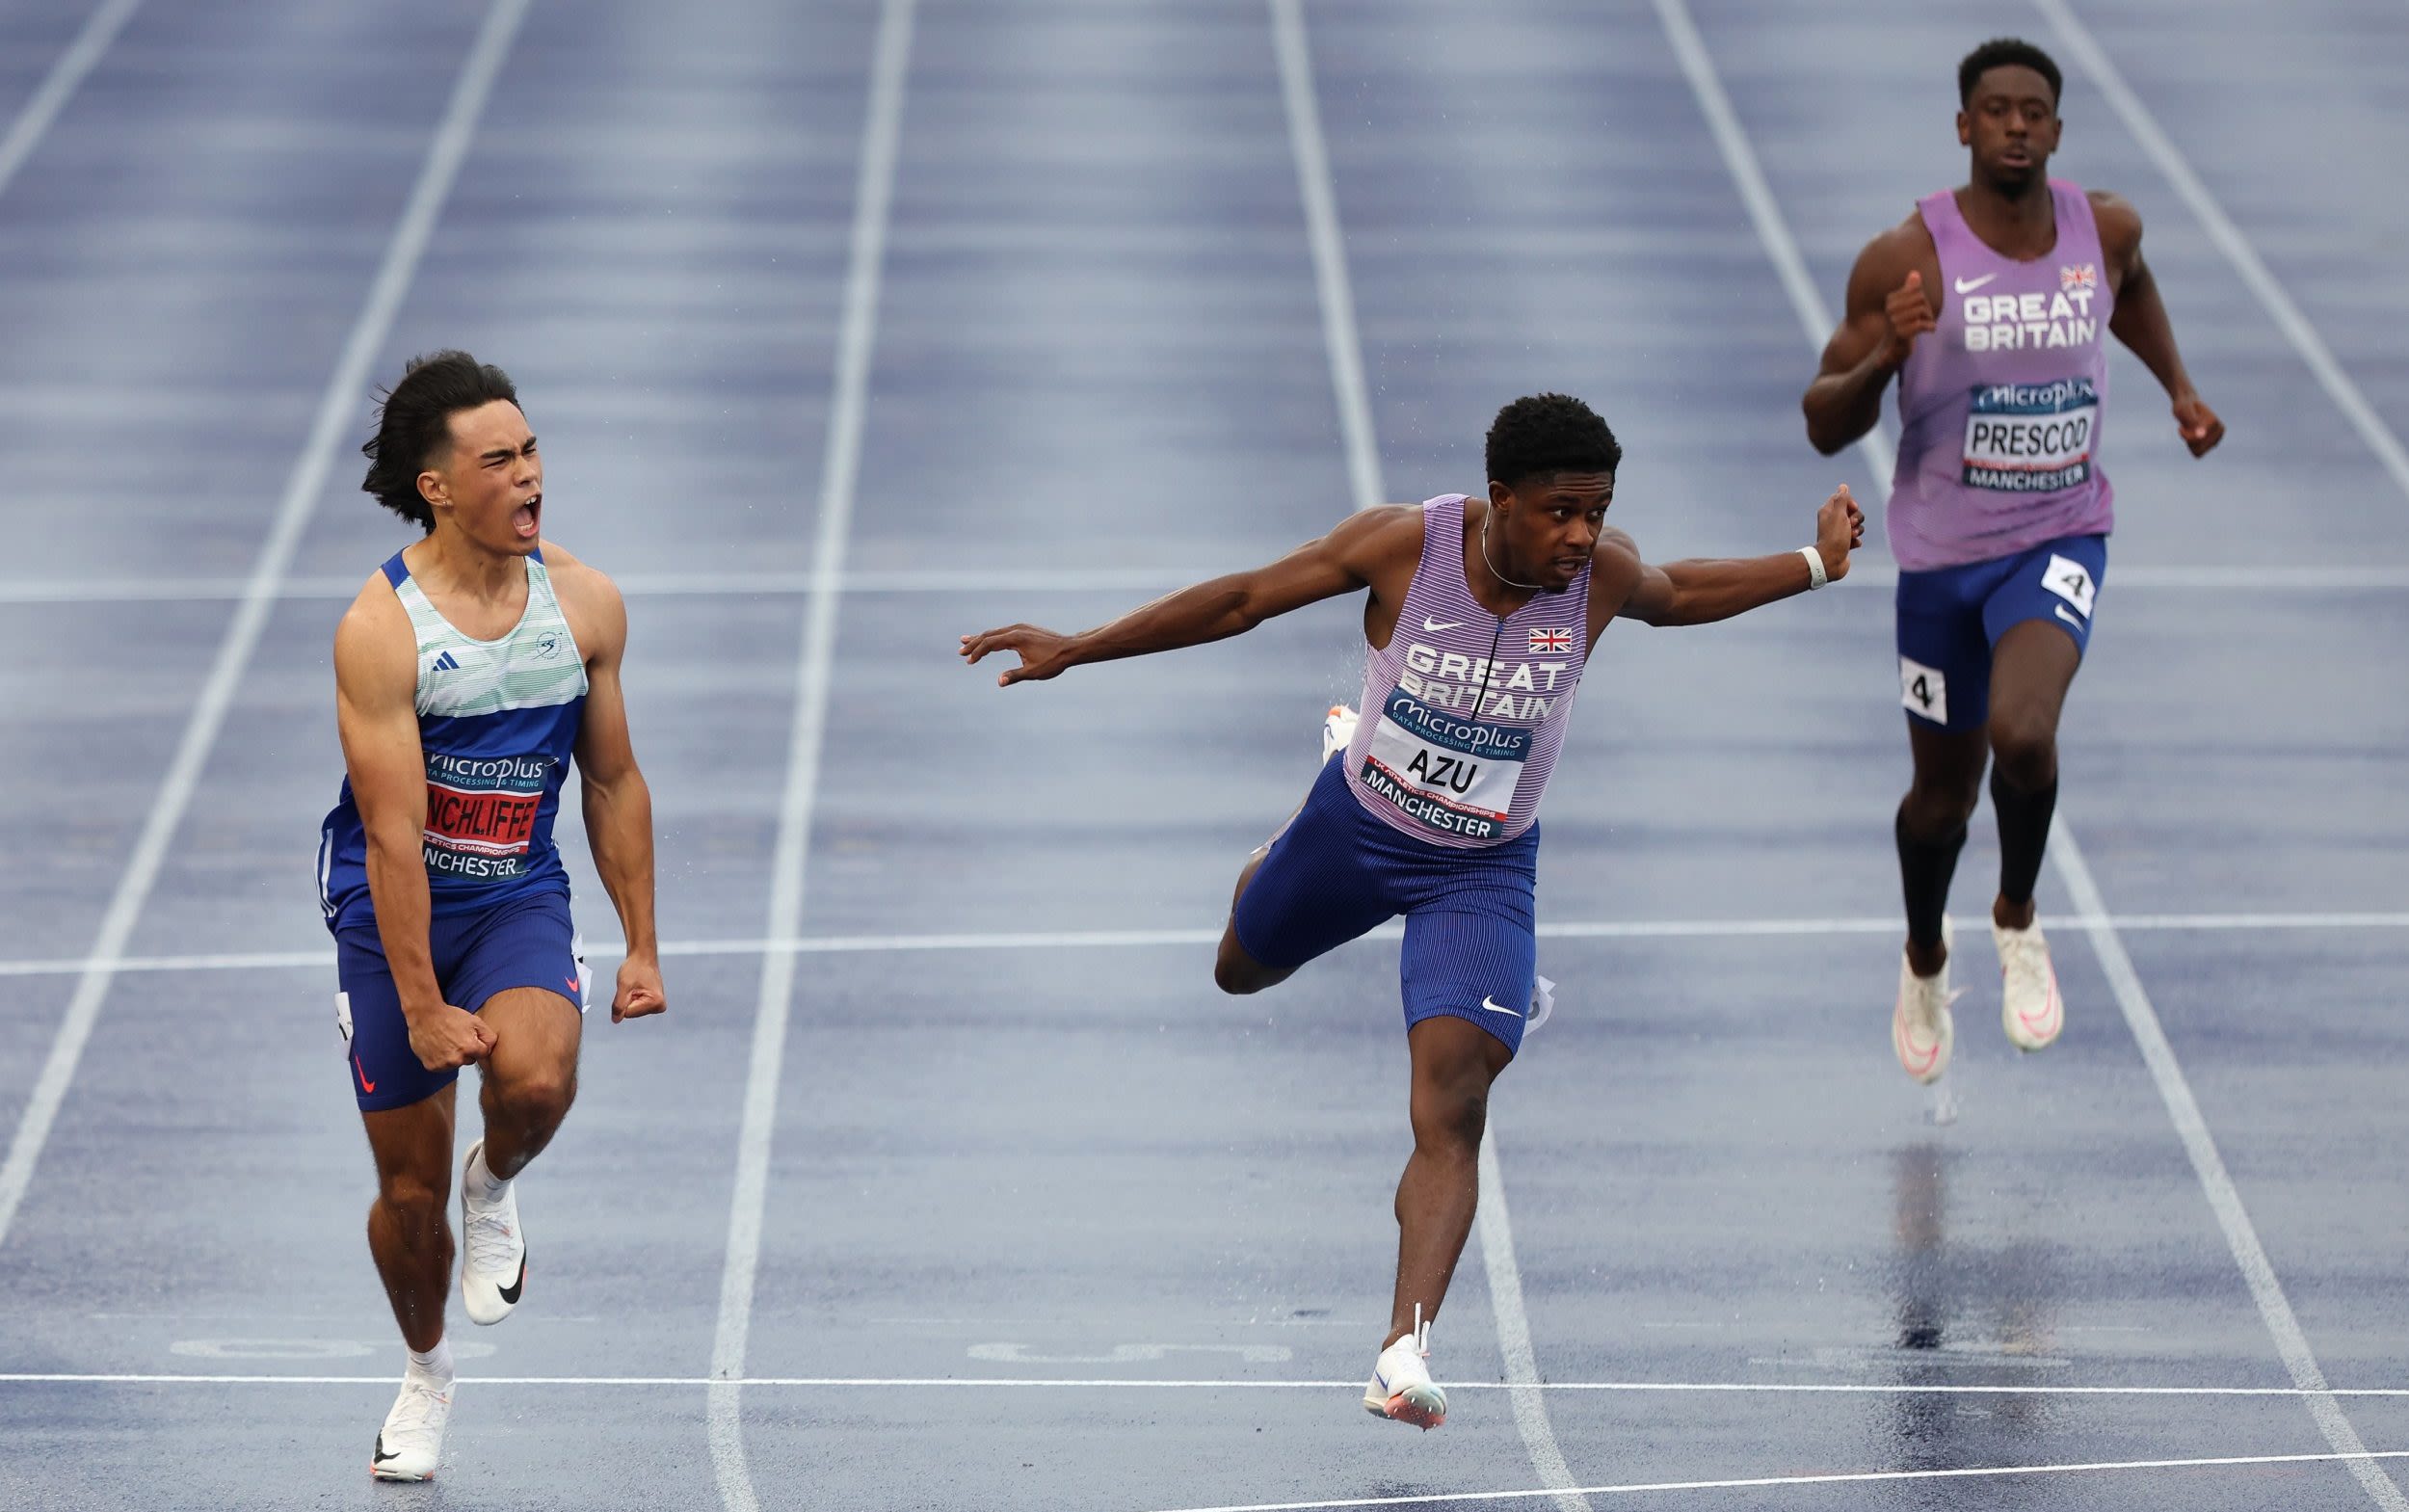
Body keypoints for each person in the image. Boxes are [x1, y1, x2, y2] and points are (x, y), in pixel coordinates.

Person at [962, 393, 1862, 1429]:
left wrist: (1812, 564)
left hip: (1480, 868)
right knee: (1238, 971)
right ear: (1500, 500)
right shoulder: (1406, 547)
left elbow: (1677, 590)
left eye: (1598, 510)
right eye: (1560, 511)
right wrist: (1078, 647)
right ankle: (1280, 845)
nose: (1581, 535)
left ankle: (1402, 1349)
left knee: (1456, 1095)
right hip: (1356, 829)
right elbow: (1244, 599)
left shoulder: (1599, 576)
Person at [1802, 39, 2222, 1088]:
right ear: (1963, 127)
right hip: (1942, 560)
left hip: (2061, 531)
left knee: (2023, 735)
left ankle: (2018, 918)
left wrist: (2177, 386)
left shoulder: (2104, 228)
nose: (2016, 126)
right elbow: (1820, 420)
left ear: (2057, 129)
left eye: (2033, 111)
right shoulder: (1909, 258)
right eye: (1995, 110)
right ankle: (1924, 955)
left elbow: (2128, 289)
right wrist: (1885, 354)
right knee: (1939, 801)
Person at [316, 351, 667, 1481]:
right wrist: (420, 1005)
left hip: (516, 889)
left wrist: (642, 946)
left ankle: (497, 1182)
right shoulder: (383, 630)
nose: (530, 478)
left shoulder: (584, 604)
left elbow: (611, 781)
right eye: (500, 461)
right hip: (393, 907)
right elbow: (386, 839)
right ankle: (424, 1373)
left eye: (533, 453)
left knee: (535, 1081)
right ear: (437, 486)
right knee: (408, 1205)